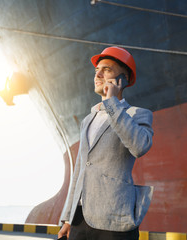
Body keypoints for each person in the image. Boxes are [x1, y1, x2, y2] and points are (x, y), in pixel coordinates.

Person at [58, 46, 154, 240]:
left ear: (123, 78)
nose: (98, 74)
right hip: (80, 220)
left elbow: (139, 146)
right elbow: (79, 171)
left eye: (107, 69)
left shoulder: (137, 114)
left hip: (114, 219)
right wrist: (68, 218)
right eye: (97, 70)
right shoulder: (88, 120)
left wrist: (112, 103)